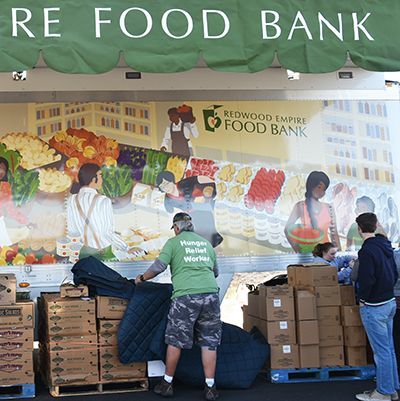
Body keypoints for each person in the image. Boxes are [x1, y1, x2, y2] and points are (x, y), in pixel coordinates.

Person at [135, 212, 221, 401]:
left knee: (175, 341)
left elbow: (159, 267)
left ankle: (166, 384)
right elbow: (214, 272)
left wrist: (141, 278)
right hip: (211, 296)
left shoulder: (174, 243)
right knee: (209, 342)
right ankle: (210, 387)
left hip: (186, 298)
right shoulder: (206, 244)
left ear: (176, 228)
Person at [355, 212, 399, 401]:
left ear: (359, 229)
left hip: (374, 306)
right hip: (389, 302)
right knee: (388, 350)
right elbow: (395, 274)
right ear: (375, 225)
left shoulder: (367, 250)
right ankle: (391, 389)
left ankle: (382, 392)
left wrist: (362, 298)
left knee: (381, 352)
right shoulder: (386, 245)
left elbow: (366, 280)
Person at [66, 163, 128, 261]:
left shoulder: (72, 200)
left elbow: (73, 231)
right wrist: (125, 247)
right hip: (103, 254)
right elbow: (108, 233)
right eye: (100, 175)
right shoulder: (103, 200)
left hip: (84, 254)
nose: (102, 179)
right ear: (94, 180)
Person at [156, 171, 223, 248]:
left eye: (166, 183)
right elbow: (171, 214)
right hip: (190, 216)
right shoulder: (167, 200)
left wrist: (209, 195)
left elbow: (205, 180)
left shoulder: (185, 183)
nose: (166, 188)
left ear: (172, 180)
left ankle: (214, 242)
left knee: (209, 228)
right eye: (162, 187)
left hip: (203, 209)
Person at [284, 171, 340, 252]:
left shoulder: (329, 208)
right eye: (319, 187)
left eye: (324, 189)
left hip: (327, 255)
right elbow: (287, 229)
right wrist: (297, 249)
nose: (322, 192)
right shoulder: (300, 206)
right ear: (311, 186)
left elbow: (334, 235)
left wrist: (339, 255)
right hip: (308, 253)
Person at [0, 157, 28, 246]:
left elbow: (10, 208)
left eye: (3, 169)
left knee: (4, 249)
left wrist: (24, 220)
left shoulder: (5, 186)